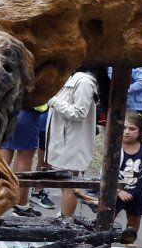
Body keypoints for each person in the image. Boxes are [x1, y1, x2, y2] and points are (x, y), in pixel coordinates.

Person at [42, 68, 100, 218]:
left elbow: (79, 113)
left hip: (73, 144)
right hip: (65, 142)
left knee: (70, 184)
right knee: (66, 184)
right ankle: (64, 217)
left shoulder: (84, 82)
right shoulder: (70, 78)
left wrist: (53, 101)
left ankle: (65, 220)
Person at [110, 113, 142, 244]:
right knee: (107, 217)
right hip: (115, 190)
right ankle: (102, 240)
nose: (127, 132)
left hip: (136, 191)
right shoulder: (115, 146)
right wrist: (118, 190)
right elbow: (105, 173)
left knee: (135, 218)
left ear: (140, 131)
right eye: (124, 128)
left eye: (132, 129)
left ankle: (129, 240)